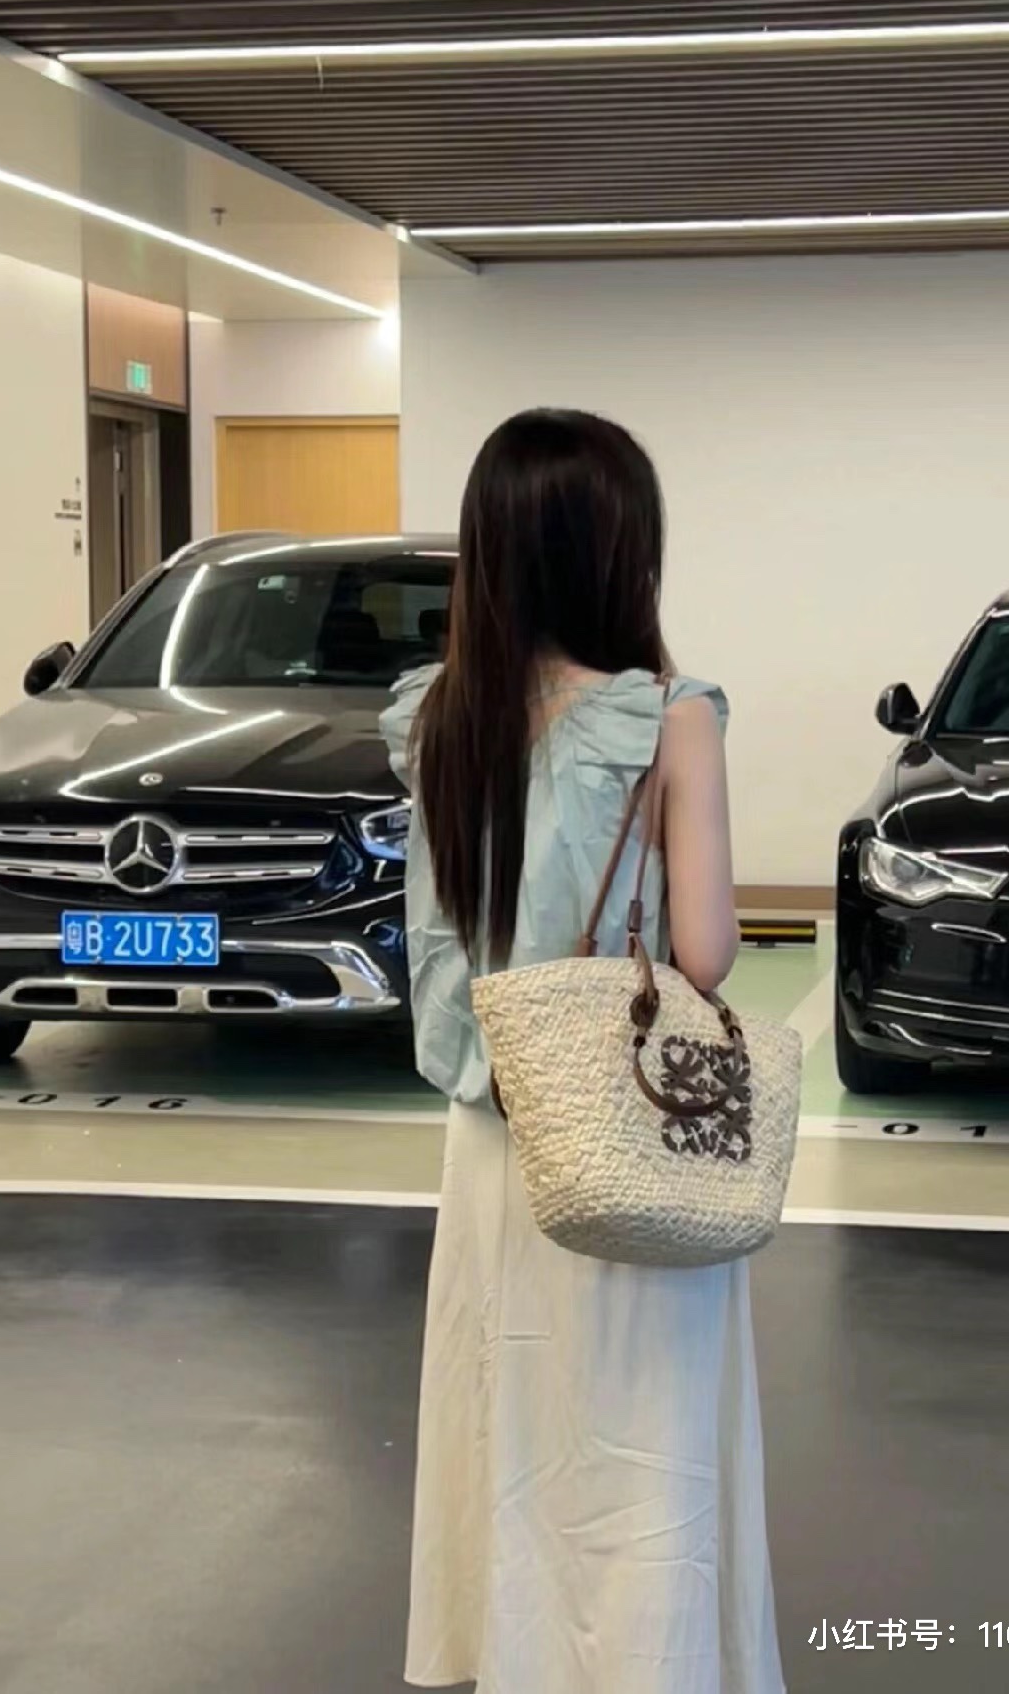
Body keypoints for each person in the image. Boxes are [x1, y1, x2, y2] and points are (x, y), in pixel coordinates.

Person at [382, 409, 785, 1694]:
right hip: (622, 1125)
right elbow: (704, 952)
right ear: (622, 555)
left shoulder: (439, 718)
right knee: (642, 1441)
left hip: (493, 1137)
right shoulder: (672, 720)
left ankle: (512, 1659)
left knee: (509, 1423)